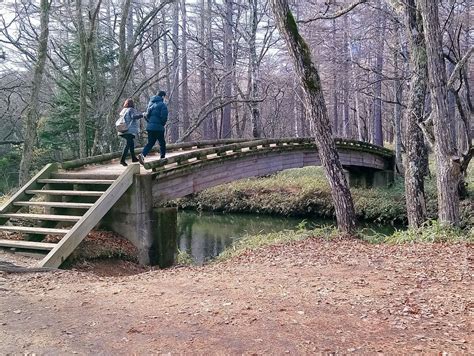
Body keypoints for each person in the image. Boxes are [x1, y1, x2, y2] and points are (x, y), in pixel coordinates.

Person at [138, 90, 168, 165]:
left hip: (150, 127)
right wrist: (162, 124)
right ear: (162, 96)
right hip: (158, 127)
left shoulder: (150, 104)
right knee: (162, 143)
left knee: (150, 143)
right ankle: (162, 157)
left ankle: (142, 155)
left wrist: (150, 123)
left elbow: (146, 115)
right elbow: (164, 116)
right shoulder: (162, 105)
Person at [118, 98, 144, 166]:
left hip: (122, 129)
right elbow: (133, 117)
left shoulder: (123, 110)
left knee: (131, 143)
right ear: (132, 104)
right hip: (128, 130)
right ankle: (122, 160)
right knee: (128, 145)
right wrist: (142, 115)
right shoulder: (131, 109)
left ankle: (133, 158)